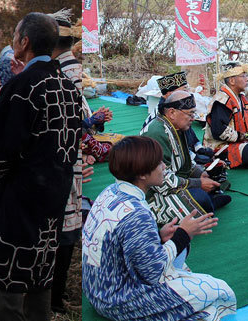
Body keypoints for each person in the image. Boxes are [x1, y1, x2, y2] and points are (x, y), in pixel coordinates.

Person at [0, 12, 84, 321]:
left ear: (24, 43)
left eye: (14, 37)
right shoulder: (67, 87)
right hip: (54, 200)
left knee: (7, 287)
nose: (12, 42)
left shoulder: (22, 86)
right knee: (40, 280)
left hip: (18, 204)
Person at [82, 136, 236, 321]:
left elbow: (123, 243)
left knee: (181, 259)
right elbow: (152, 273)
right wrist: (182, 235)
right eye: (158, 163)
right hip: (117, 300)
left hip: (97, 290)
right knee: (220, 291)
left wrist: (159, 235)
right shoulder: (136, 213)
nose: (164, 166)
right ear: (142, 174)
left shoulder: (110, 192)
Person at [44, 8, 111, 313]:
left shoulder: (62, 73)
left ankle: (53, 296)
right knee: (65, 228)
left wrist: (91, 125)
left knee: (63, 230)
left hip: (62, 162)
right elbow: (76, 121)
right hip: (69, 161)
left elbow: (70, 123)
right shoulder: (67, 72)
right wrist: (91, 125)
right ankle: (55, 295)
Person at [142, 90, 230, 224]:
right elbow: (162, 183)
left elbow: (185, 162)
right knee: (200, 198)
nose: (193, 118)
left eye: (194, 113)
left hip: (173, 182)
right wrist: (198, 183)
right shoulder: (157, 133)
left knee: (215, 178)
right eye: (190, 114)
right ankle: (207, 203)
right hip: (151, 195)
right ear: (172, 113)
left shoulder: (176, 127)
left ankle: (208, 201)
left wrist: (201, 173)